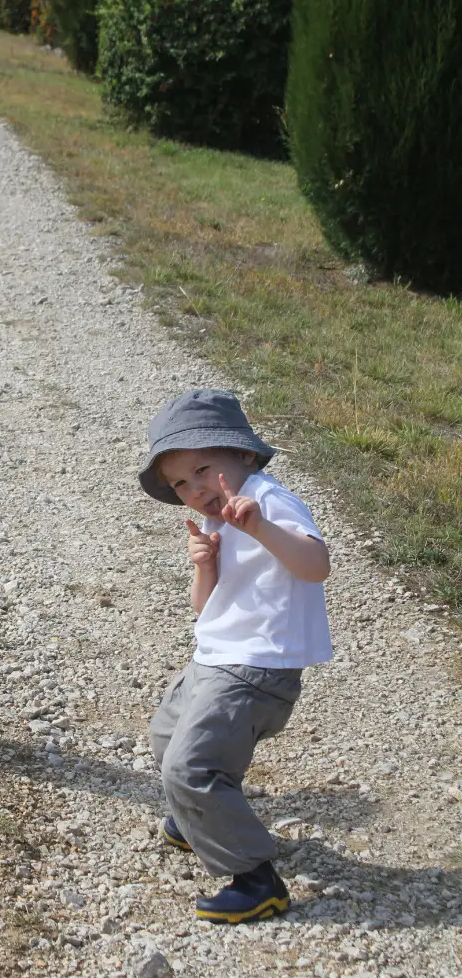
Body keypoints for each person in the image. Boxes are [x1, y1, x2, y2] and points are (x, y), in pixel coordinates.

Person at [138, 388, 332, 924]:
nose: (194, 489)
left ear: (244, 453)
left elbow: (316, 566)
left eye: (202, 469)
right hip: (216, 655)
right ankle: (202, 819)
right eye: (180, 483)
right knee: (165, 739)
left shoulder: (268, 501)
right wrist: (205, 566)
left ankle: (256, 881)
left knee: (192, 766)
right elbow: (206, 608)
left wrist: (260, 527)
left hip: (257, 666)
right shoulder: (218, 517)